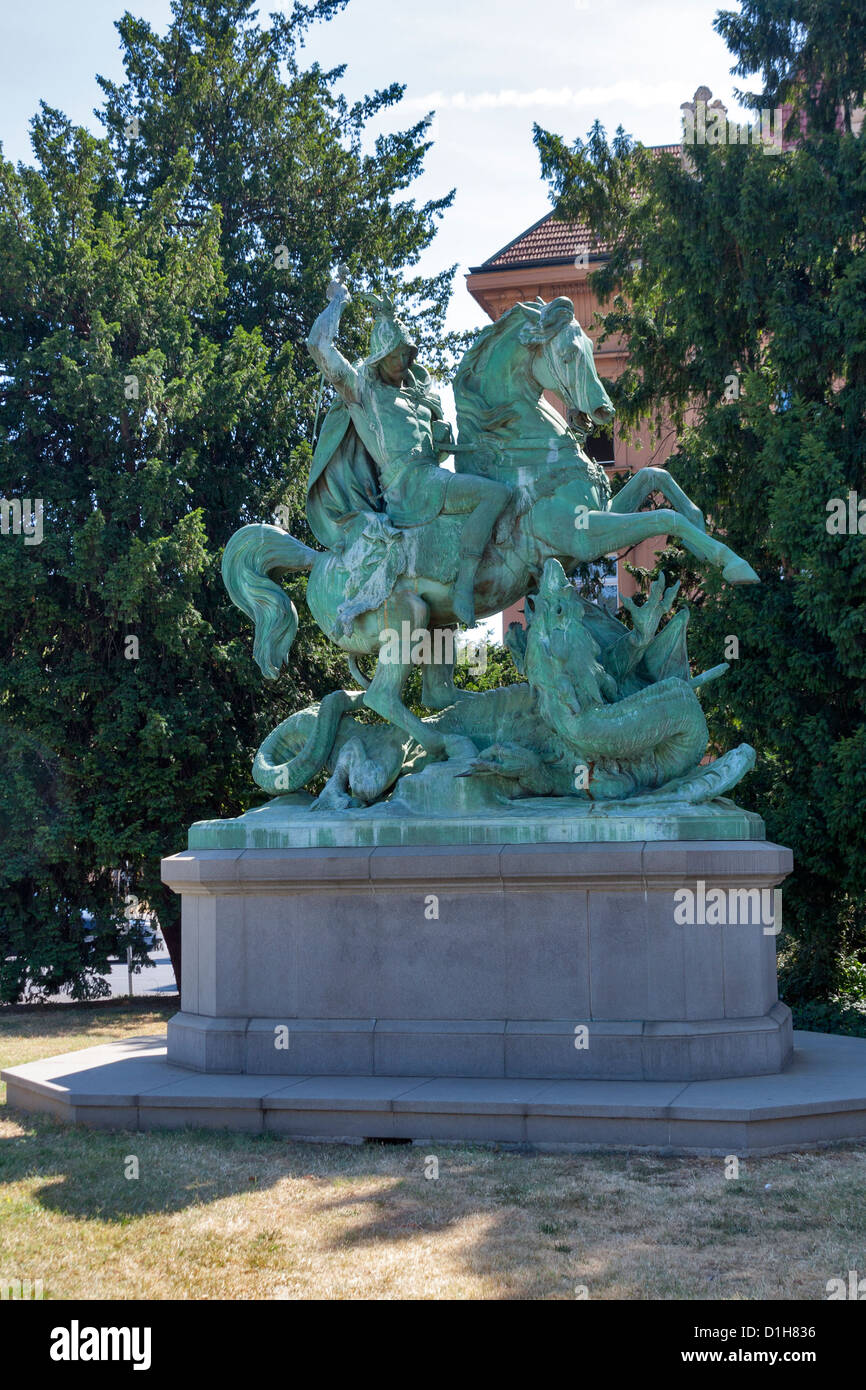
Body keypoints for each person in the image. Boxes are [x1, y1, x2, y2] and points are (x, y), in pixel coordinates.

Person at [305, 280, 511, 626]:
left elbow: (434, 448)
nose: (403, 360)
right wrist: (338, 301)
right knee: (496, 493)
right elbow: (318, 345)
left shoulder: (418, 396)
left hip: (432, 476)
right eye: (395, 354)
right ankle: (463, 587)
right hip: (408, 486)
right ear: (380, 356)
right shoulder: (362, 391)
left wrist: (442, 435)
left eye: (407, 353)